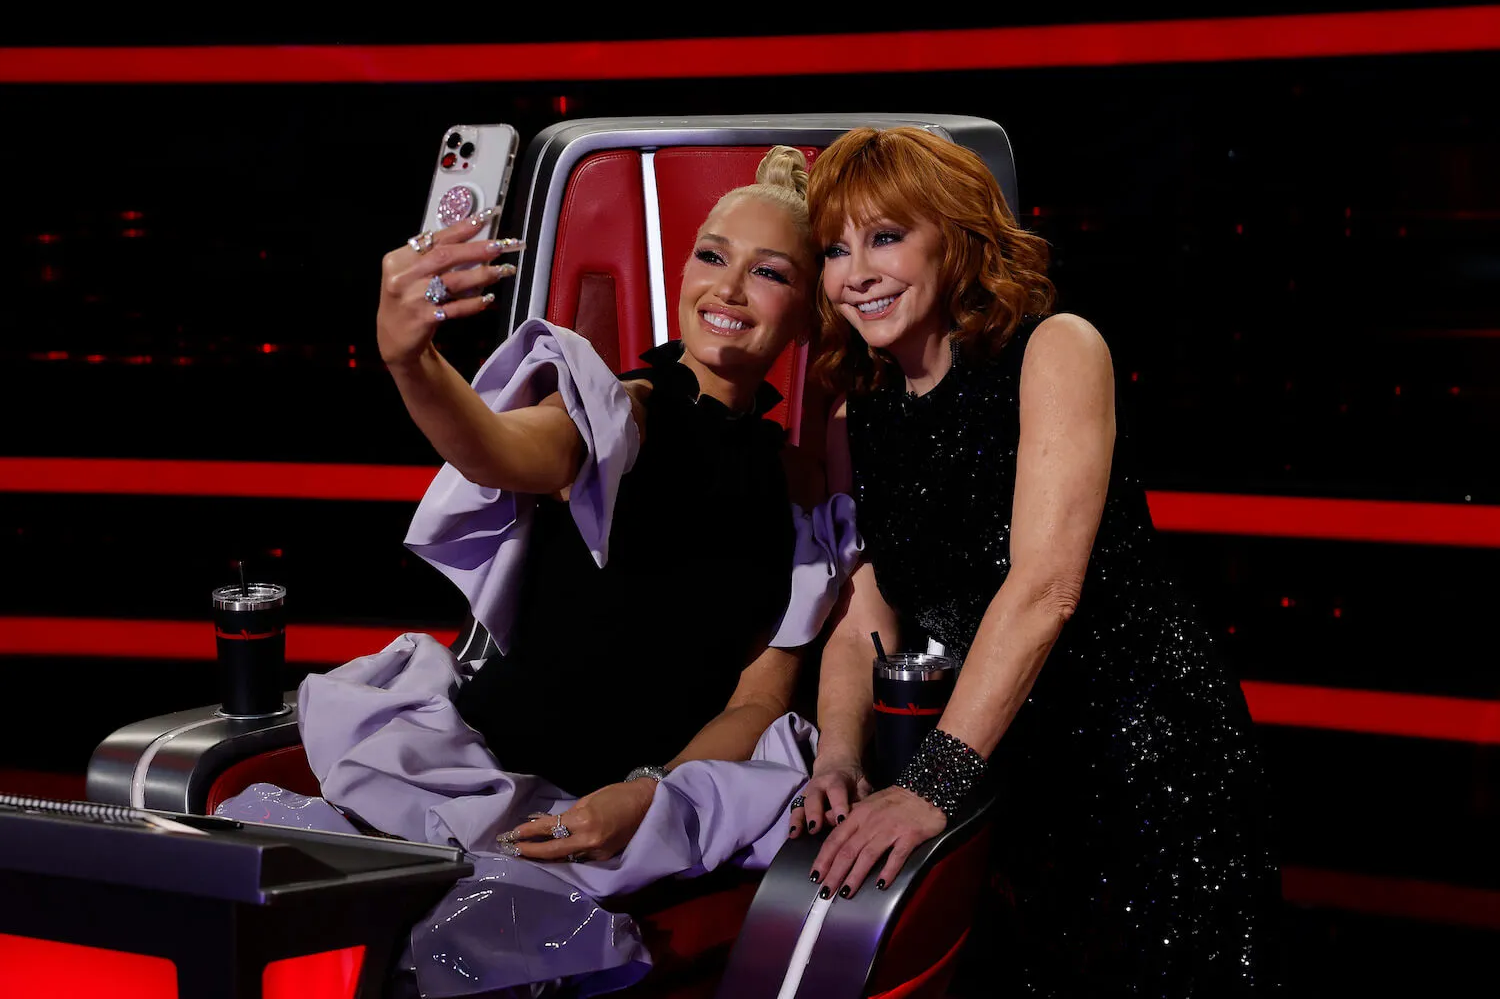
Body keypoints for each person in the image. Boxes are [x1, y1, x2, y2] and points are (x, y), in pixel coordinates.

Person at [218, 146, 862, 997]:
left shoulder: (801, 489)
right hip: (480, 774)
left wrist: (645, 797)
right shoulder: (621, 411)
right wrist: (413, 363)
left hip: (631, 815)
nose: (728, 289)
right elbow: (495, 448)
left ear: (811, 306)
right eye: (712, 255)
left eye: (768, 272)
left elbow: (757, 699)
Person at [792, 127, 1282, 995]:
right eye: (834, 248)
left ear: (957, 235)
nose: (854, 272)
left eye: (886, 237)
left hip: (1135, 753)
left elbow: (1046, 587)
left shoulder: (1055, 348)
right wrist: (838, 753)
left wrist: (931, 783)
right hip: (998, 756)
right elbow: (863, 607)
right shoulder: (851, 408)